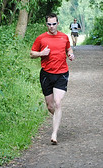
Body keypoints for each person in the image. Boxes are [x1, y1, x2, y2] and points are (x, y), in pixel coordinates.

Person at [30, 13, 75, 145]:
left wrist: (71, 54)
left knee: (58, 102)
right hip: (46, 74)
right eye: (49, 24)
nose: (51, 26)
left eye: (54, 24)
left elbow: (69, 49)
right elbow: (32, 53)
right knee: (50, 106)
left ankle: (54, 134)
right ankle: (57, 116)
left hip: (61, 73)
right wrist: (41, 53)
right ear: (46, 24)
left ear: (58, 23)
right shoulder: (41, 38)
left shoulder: (64, 37)